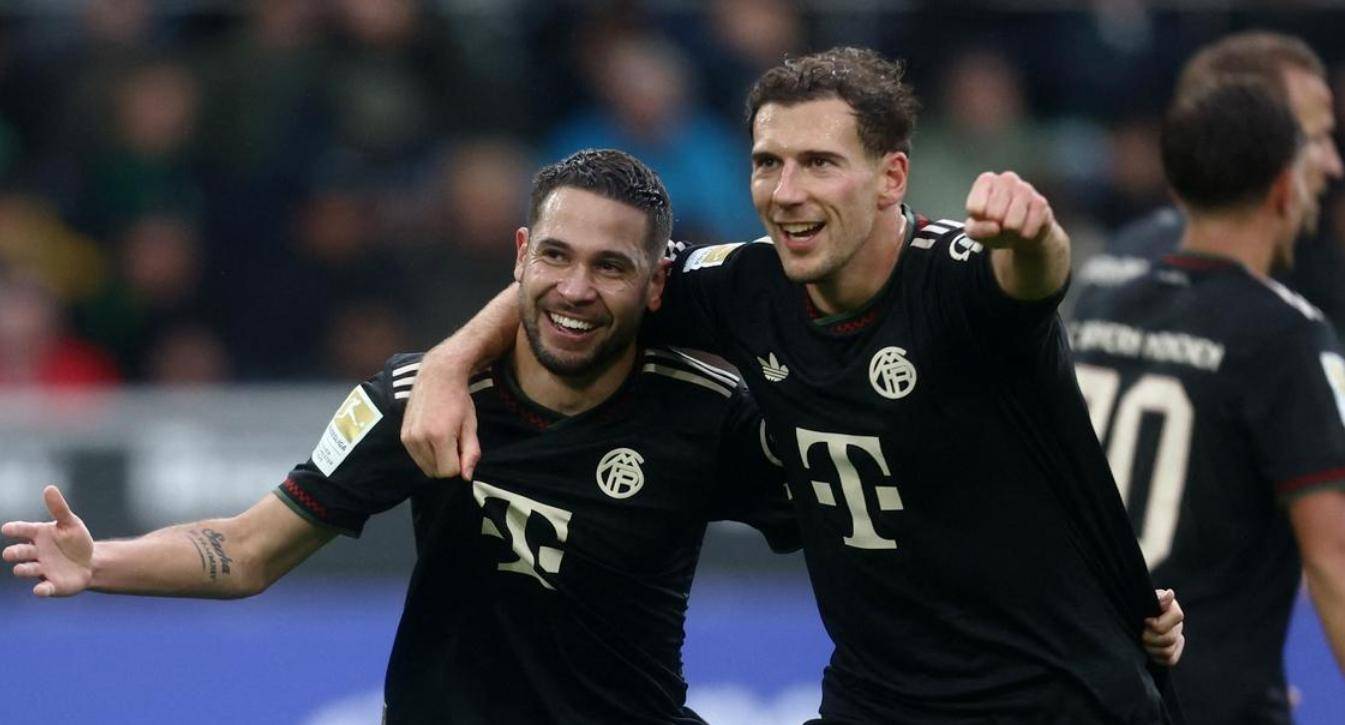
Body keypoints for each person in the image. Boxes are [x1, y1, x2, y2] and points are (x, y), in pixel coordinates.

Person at [400, 48, 1185, 722]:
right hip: (879, 697)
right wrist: (446, 365)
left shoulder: (955, 280)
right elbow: (586, 281)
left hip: (1044, 692)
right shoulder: (745, 286)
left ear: (890, 177)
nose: (784, 191)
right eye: (767, 162)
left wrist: (1034, 233)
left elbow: (1030, 278)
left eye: (818, 163)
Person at [2, 149, 803, 724]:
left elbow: (837, 527)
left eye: (610, 266)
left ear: (657, 281)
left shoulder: (704, 411)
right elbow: (247, 550)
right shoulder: (418, 399)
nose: (575, 288)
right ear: (520, 254)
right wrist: (99, 561)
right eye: (556, 255)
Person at [1071, 78, 1345, 723]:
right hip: (1212, 694)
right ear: (1284, 188)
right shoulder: (1284, 333)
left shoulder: (1100, 298)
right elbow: (1332, 560)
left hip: (1084, 684)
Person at [1074, 31, 1344, 331]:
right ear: (1249, 139)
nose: (1334, 165)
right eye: (1317, 139)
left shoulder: (1119, 256)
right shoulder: (1276, 321)